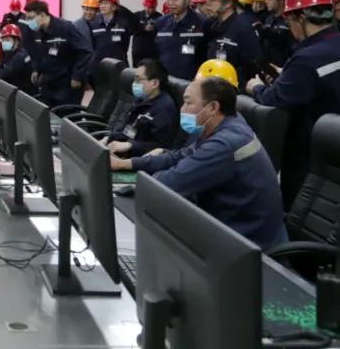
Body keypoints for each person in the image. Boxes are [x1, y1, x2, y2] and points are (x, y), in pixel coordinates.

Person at [111, 76, 286, 249]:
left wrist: (137, 182)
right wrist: (126, 164)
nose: (182, 109)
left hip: (248, 246)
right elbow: (179, 156)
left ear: (213, 108)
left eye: (188, 103)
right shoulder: (226, 124)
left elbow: (169, 184)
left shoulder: (225, 143)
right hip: (226, 228)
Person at [246, 0, 340, 209]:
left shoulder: (307, 58)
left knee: (298, 210)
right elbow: (322, 83)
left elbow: (275, 99)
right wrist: (289, 75)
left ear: (300, 18)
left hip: (308, 154)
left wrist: (256, 88)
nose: (290, 28)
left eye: (289, 22)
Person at [24, 0, 93, 108]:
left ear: (42, 15)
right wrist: (36, 69)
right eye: (27, 19)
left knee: (65, 114)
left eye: (31, 18)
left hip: (68, 83)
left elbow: (85, 51)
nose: (29, 22)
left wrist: (77, 76)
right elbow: (38, 54)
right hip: (49, 82)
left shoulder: (65, 27)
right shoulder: (37, 32)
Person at [104, 58, 179, 158]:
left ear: (155, 83)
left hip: (140, 160)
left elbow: (161, 147)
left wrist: (130, 145)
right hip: (125, 152)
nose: (134, 83)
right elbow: (128, 129)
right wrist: (108, 138)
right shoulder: (142, 100)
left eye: (138, 80)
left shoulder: (165, 108)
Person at [202, 0, 263, 88]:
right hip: (213, 86)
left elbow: (253, 66)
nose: (207, 3)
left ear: (228, 3)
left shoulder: (243, 28)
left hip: (234, 90)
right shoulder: (212, 25)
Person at [154, 0, 207, 81]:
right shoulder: (160, 23)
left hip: (190, 84)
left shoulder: (202, 23)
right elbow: (155, 54)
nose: (171, 3)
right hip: (165, 81)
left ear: (188, 0)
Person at [92, 0, 134, 71]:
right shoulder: (94, 23)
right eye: (101, 3)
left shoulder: (123, 24)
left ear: (114, 7)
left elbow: (125, 44)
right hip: (100, 67)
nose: (102, 6)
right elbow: (93, 45)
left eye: (106, 3)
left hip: (119, 66)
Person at [0, 23, 34, 95]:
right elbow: (1, 65)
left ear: (17, 41)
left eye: (7, 40)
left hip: (24, 95)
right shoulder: (10, 53)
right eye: (3, 40)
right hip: (15, 90)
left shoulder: (20, 56)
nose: (4, 43)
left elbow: (6, 72)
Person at [261, 0, 294, 68]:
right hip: (268, 65)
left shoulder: (290, 20)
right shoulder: (268, 19)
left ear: (282, 1)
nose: (267, 2)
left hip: (283, 66)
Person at [131, 0, 161, 65]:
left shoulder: (159, 17)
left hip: (153, 53)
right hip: (138, 53)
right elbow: (131, 30)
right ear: (144, 5)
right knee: (137, 71)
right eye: (149, 7)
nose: (151, 10)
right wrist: (143, 28)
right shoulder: (136, 16)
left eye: (153, 7)